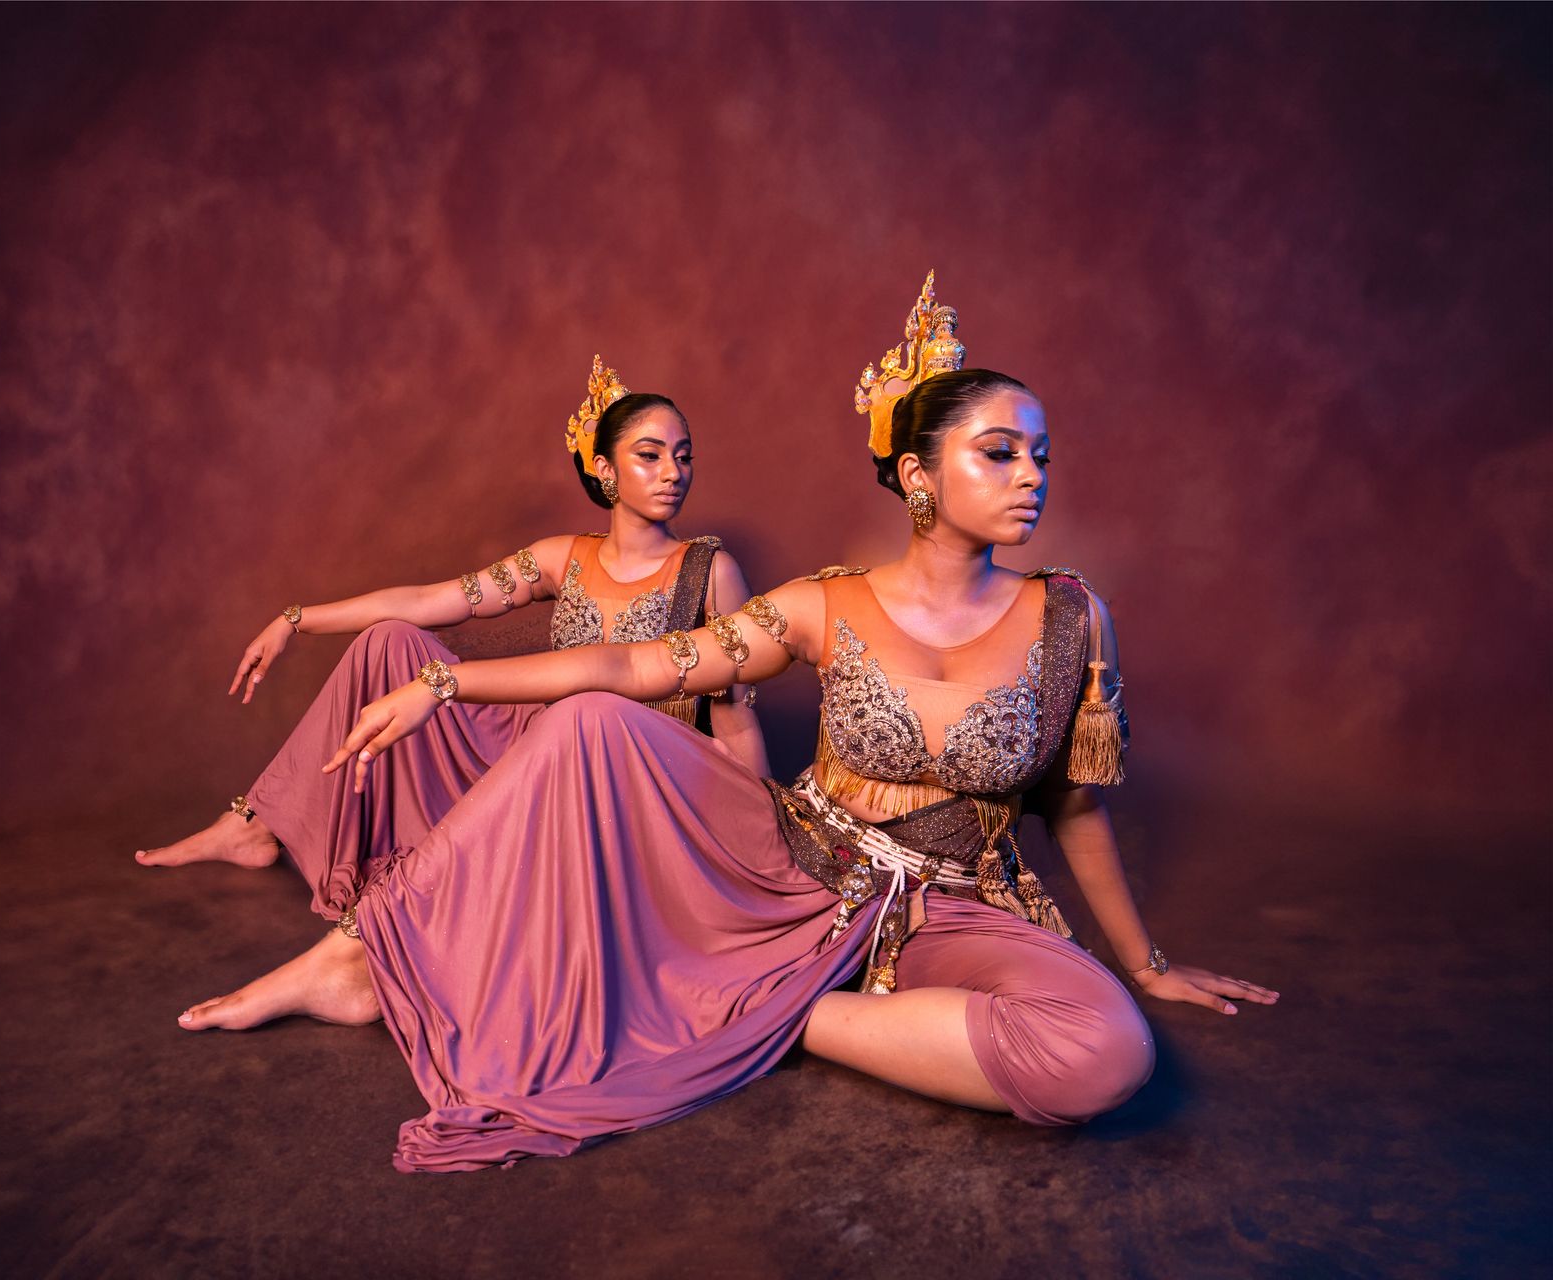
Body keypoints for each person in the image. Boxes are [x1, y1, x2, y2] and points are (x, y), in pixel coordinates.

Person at [181, 274, 1277, 1173]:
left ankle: (757, 1006)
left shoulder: (1074, 616)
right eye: (1000, 451)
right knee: (596, 720)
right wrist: (446, 686)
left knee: (1105, 1056)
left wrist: (1145, 961)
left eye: (1041, 452)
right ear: (919, 474)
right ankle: (358, 952)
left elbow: (1071, 803)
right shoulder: (822, 602)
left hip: (947, 903)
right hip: (791, 860)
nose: (1031, 474)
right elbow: (631, 661)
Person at [135, 356, 770, 931]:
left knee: (584, 713)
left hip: (632, 773)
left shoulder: (711, 571)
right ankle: (258, 825)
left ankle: (402, 916)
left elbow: (735, 714)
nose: (673, 474)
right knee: (390, 641)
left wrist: (756, 840)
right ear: (604, 469)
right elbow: (430, 602)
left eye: (683, 456)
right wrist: (297, 620)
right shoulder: (561, 559)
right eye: (650, 456)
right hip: (537, 748)